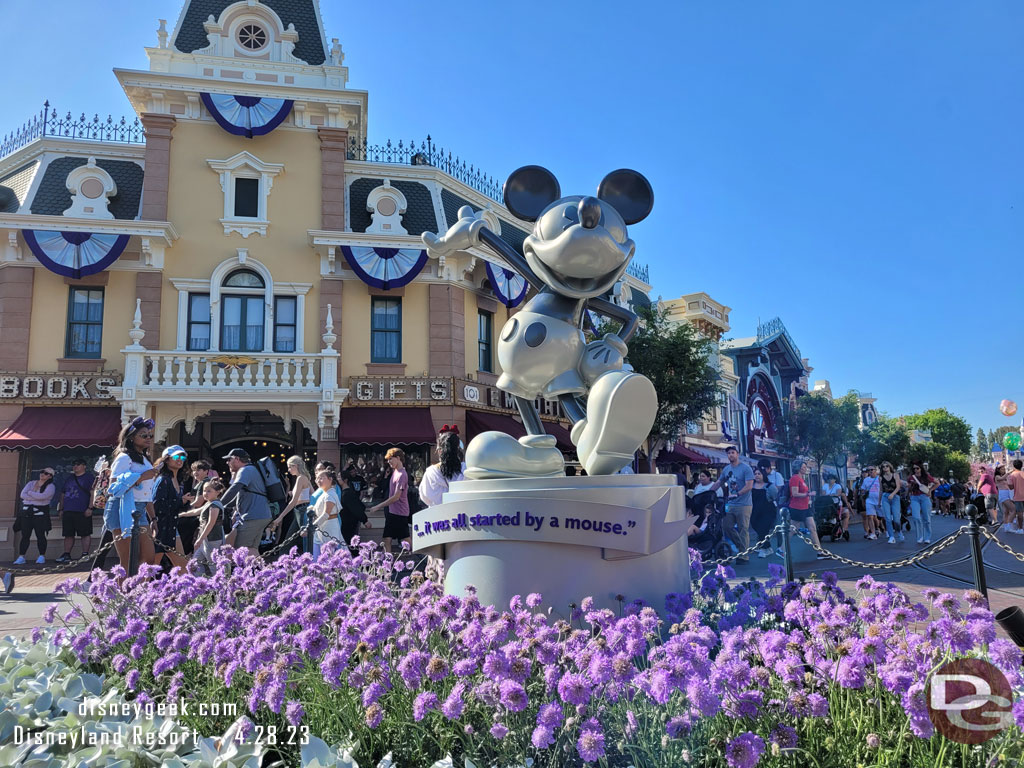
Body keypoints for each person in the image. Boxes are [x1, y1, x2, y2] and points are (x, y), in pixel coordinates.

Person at [104, 417, 162, 570]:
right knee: (128, 560)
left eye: (150, 435)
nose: (148, 438)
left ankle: (137, 590)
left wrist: (153, 517)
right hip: (121, 507)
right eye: (143, 435)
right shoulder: (124, 457)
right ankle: (123, 592)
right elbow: (113, 487)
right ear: (131, 438)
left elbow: (146, 494)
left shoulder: (144, 459)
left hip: (140, 509)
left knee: (149, 558)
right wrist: (142, 477)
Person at [219, 448, 272, 557]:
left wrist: (217, 504)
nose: (227, 462)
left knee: (240, 550)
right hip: (261, 515)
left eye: (229, 459)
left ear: (237, 459)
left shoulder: (245, 470)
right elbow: (238, 497)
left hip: (252, 516)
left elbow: (234, 488)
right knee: (251, 550)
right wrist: (224, 505)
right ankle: (263, 573)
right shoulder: (252, 470)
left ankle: (244, 574)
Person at [709, 446, 754, 563]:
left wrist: (738, 494)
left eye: (733, 453)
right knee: (726, 527)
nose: (731, 455)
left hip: (744, 504)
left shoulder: (746, 468)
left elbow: (749, 486)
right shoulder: (726, 469)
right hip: (731, 503)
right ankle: (742, 548)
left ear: (737, 454)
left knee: (743, 529)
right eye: (728, 453)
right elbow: (719, 482)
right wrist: (709, 492)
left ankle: (743, 556)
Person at [176, 478, 226, 574]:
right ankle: (199, 582)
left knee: (213, 564)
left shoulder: (215, 505)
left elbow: (211, 523)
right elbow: (196, 511)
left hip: (212, 539)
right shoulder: (209, 503)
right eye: (204, 491)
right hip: (205, 539)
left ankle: (220, 584)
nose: (205, 493)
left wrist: (200, 539)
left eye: (209, 491)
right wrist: (182, 514)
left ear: (217, 492)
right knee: (196, 562)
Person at [151, 445, 190, 562]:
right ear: (167, 459)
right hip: (161, 527)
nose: (180, 460)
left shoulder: (179, 480)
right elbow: (157, 504)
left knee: (182, 566)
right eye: (176, 456)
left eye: (183, 458)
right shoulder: (163, 479)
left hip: (171, 527)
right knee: (151, 567)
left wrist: (183, 502)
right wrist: (180, 501)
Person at [267, 456, 314, 551]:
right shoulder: (303, 478)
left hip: (301, 510)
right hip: (301, 510)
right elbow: (313, 494)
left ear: (295, 466)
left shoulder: (301, 478)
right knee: (291, 540)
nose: (288, 470)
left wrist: (280, 518)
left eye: (289, 467)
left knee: (298, 541)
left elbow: (293, 502)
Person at [370, 448, 411, 553]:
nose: (389, 462)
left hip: (399, 512)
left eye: (390, 459)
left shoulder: (402, 475)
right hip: (393, 512)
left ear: (398, 458)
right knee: (387, 539)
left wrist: (378, 506)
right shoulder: (395, 472)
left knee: (405, 540)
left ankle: (424, 556)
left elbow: (396, 496)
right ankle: (387, 564)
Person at [55, 458, 95, 562]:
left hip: (82, 510)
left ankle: (85, 554)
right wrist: (61, 509)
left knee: (85, 533)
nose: (75, 466)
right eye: (74, 464)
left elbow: (93, 493)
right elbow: (63, 494)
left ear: (84, 466)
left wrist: (90, 507)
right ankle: (67, 554)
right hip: (68, 510)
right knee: (68, 534)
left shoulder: (89, 478)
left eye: (78, 464)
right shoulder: (69, 478)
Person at [15, 468, 56, 564]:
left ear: (50, 476)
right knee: (25, 535)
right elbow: (22, 495)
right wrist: (35, 496)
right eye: (42, 472)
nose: (43, 474)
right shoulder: (31, 483)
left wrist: (30, 493)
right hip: (27, 513)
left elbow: (43, 497)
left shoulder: (50, 486)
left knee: (40, 535)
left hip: (40, 514)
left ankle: (42, 556)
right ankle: (21, 557)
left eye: (46, 473)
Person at [419, 426, 466, 507]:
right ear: (458, 449)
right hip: (462, 515)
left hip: (438, 516)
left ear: (440, 451)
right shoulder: (466, 469)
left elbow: (425, 496)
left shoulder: (431, 472)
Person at [789, 460, 827, 559]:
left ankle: (820, 551)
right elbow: (794, 493)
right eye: (804, 467)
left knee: (812, 528)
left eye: (805, 467)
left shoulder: (802, 479)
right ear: (798, 468)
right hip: (797, 507)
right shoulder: (795, 478)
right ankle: (781, 548)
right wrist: (808, 494)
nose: (805, 469)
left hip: (806, 507)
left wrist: (808, 494)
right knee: (793, 529)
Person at [179, 460, 212, 554]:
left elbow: (198, 502)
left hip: (198, 516)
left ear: (206, 471)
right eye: (193, 470)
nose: (195, 472)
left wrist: (186, 502)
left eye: (199, 470)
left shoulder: (205, 483)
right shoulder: (201, 482)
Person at [311, 468, 343, 558]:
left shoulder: (330, 495)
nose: (318, 481)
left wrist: (312, 526)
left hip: (329, 527)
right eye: (317, 478)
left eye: (321, 478)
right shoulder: (324, 494)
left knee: (330, 554)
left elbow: (326, 514)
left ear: (330, 479)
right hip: (322, 527)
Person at [750, 468, 778, 558]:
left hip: (767, 511)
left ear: (763, 475)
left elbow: (774, 496)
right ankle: (767, 547)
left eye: (759, 473)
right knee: (756, 527)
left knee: (763, 529)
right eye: (755, 474)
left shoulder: (769, 486)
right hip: (755, 511)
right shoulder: (751, 485)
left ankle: (764, 549)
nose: (757, 475)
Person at [906, 462, 935, 544]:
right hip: (914, 497)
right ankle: (920, 536)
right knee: (916, 517)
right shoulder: (911, 477)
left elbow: (937, 483)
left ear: (921, 468)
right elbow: (908, 486)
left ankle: (927, 537)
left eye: (917, 468)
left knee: (926, 518)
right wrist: (908, 487)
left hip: (924, 497)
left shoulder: (926, 476)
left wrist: (930, 490)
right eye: (914, 468)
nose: (915, 470)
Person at [338, 471, 370, 544]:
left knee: (352, 543)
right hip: (345, 522)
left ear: (345, 480)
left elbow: (357, 508)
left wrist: (365, 520)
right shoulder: (343, 492)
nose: (337, 479)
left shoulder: (348, 493)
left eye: (339, 477)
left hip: (349, 522)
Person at [879, 462, 904, 544]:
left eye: (887, 466)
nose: (885, 468)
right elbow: (881, 490)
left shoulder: (895, 475)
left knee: (896, 519)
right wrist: (879, 501)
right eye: (883, 467)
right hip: (885, 497)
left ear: (890, 467)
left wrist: (893, 494)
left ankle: (899, 531)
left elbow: (898, 487)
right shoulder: (880, 477)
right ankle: (891, 536)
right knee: (888, 518)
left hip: (895, 497)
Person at [859, 466, 882, 540]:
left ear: (876, 470)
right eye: (868, 470)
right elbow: (863, 489)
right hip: (869, 500)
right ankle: (873, 533)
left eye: (872, 470)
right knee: (870, 516)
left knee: (882, 517)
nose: (870, 471)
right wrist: (863, 494)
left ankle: (885, 530)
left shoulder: (880, 478)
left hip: (879, 500)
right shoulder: (866, 480)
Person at [1004, 459, 1024, 534]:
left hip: (1018, 496)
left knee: (1020, 513)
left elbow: (1011, 487)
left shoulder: (1012, 475)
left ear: (1014, 466)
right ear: (1021, 466)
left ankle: (1020, 529)